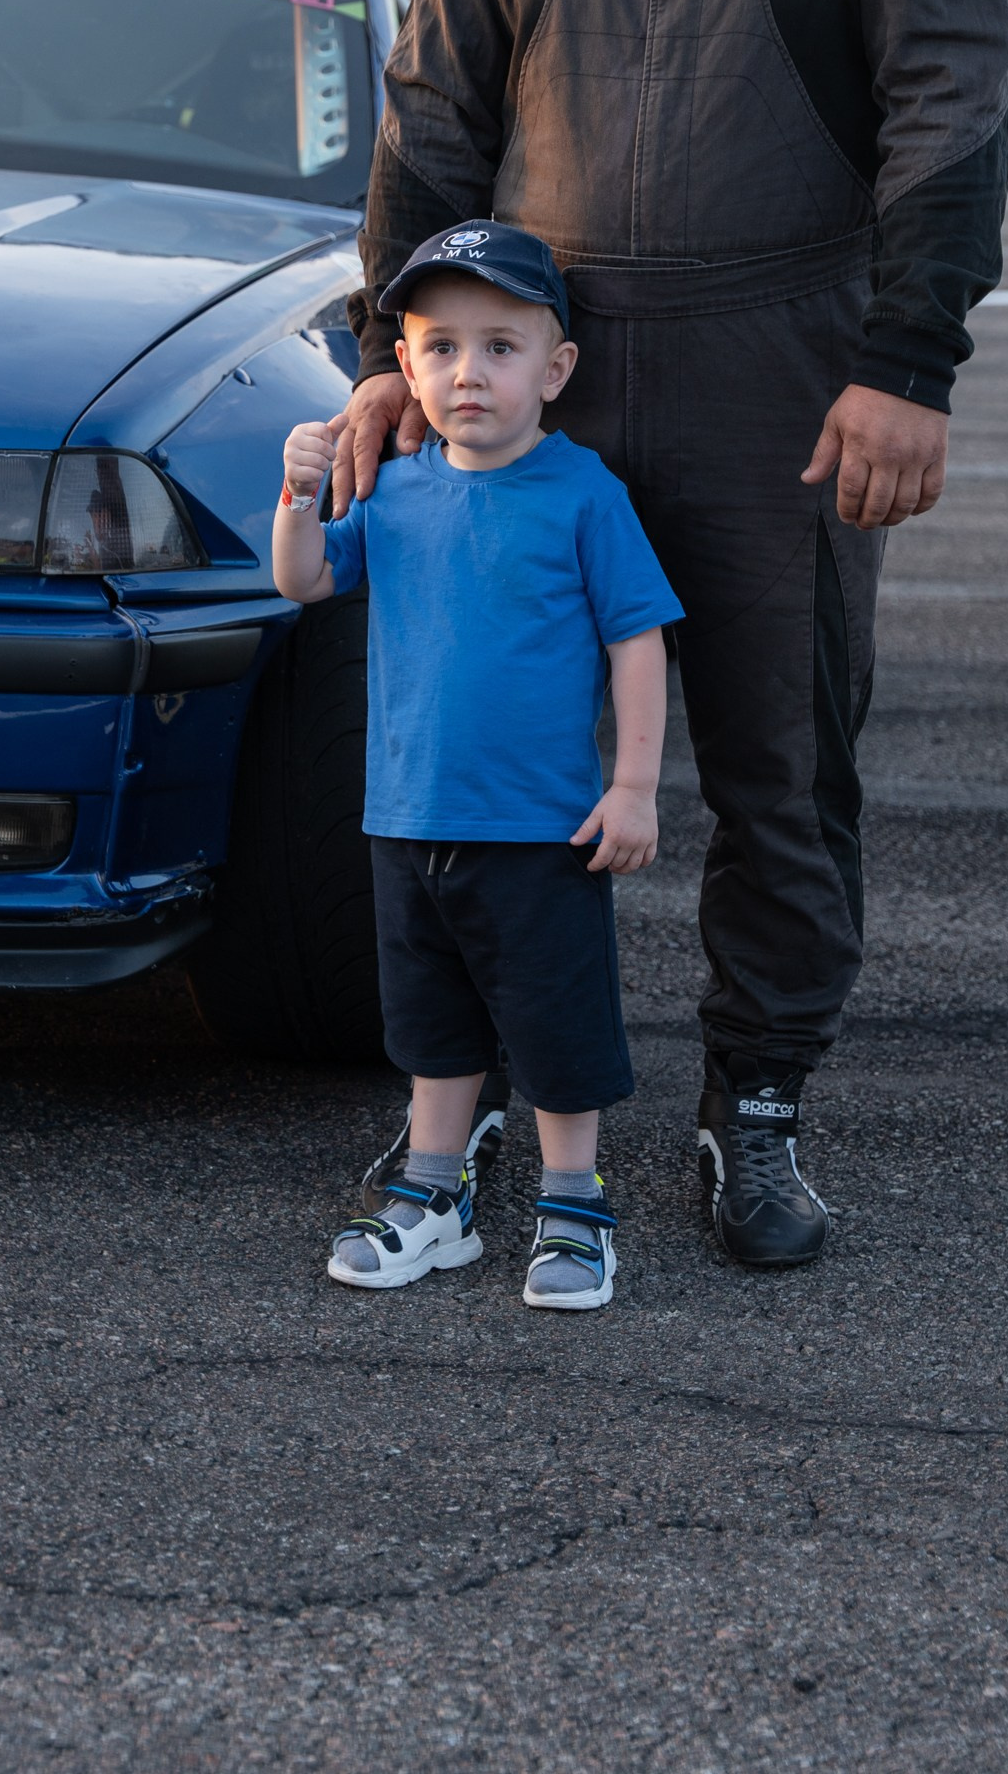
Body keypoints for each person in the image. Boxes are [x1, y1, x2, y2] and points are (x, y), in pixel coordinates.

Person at [333, 0, 1008, 1271]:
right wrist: (392, 357)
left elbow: (950, 118)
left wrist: (908, 361)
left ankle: (757, 1107)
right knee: (473, 762)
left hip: (776, 384)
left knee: (776, 773)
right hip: (527, 394)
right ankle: (462, 1121)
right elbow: (431, 128)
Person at [274, 222, 681, 1310]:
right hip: (407, 817)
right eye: (441, 346)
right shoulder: (397, 490)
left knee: (556, 1027)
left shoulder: (581, 494)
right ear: (401, 365)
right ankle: (431, 1197)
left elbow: (634, 638)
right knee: (430, 1026)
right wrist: (296, 494)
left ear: (553, 371)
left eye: (500, 347)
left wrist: (632, 786)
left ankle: (572, 1206)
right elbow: (305, 581)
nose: (468, 372)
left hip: (541, 827)